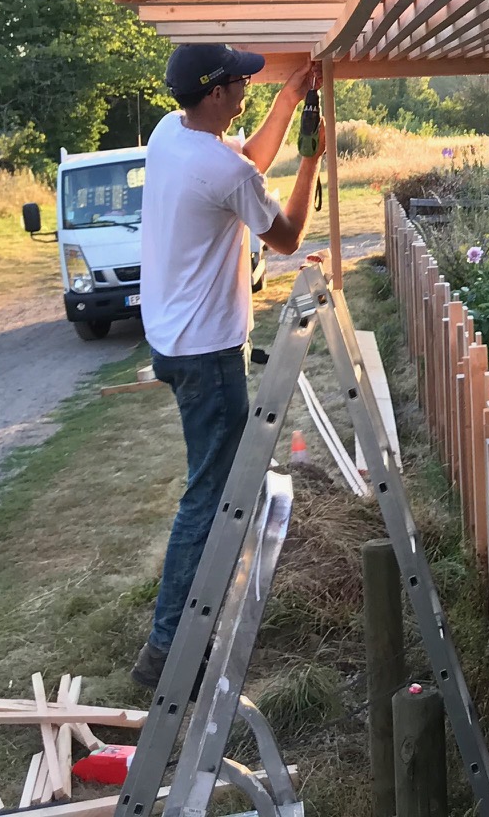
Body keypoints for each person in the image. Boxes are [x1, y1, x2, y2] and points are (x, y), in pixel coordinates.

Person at [130, 44, 325, 689]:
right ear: (213, 93)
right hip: (207, 350)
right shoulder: (217, 166)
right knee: (210, 493)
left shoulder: (170, 132)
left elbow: (242, 167)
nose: (245, 87)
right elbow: (288, 236)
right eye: (239, 82)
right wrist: (311, 162)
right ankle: (167, 650)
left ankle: (193, 623)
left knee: (214, 483)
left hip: (174, 340)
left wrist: (287, 99)